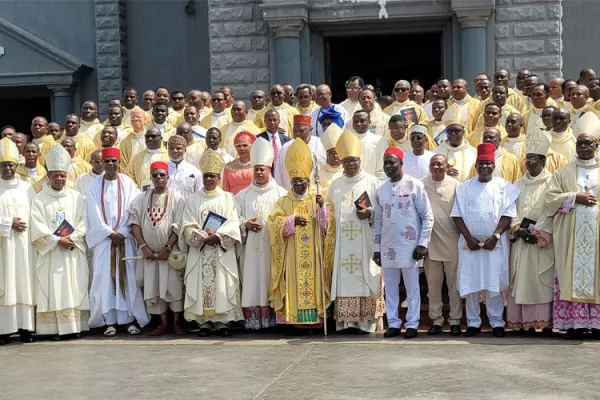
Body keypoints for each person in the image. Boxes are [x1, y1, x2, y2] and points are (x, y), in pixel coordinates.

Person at [451, 143, 520, 337]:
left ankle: (497, 322)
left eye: (488, 163)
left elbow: (508, 214)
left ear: (493, 166)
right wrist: (468, 238)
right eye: (481, 163)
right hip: (469, 245)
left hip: (494, 245)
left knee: (494, 284)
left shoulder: (504, 187)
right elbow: (456, 215)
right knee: (471, 284)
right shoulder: (464, 187)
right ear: (475, 166)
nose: (484, 167)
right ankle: (473, 323)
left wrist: (496, 236)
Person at [268, 138, 335, 332]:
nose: (298, 184)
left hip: (313, 254)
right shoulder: (282, 201)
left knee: (313, 283)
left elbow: (327, 227)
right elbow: (273, 223)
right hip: (291, 254)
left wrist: (322, 208)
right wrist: (291, 221)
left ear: (308, 180)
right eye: (294, 181)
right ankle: (294, 321)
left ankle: (315, 322)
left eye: (302, 181)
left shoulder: (317, 199)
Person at [86, 147, 149, 336]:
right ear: (102, 164)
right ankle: (110, 321)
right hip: (105, 242)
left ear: (119, 163)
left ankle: (128, 319)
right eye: (107, 162)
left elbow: (134, 208)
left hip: (125, 240)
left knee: (128, 279)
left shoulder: (128, 183)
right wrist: (109, 233)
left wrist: (122, 231)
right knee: (106, 279)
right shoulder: (94, 185)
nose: (111, 164)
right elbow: (93, 212)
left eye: (114, 161)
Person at [181, 149, 243, 337]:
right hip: (201, 250)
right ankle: (204, 321)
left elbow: (234, 222)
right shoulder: (192, 200)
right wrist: (202, 236)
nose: (209, 180)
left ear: (218, 177)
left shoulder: (228, 198)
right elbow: (187, 224)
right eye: (206, 176)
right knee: (202, 286)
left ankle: (222, 321)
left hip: (220, 250)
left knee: (223, 285)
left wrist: (219, 236)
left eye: (213, 176)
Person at [30, 144, 89, 340]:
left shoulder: (76, 197)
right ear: (48, 176)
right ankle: (54, 329)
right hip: (53, 254)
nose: (59, 179)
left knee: (73, 286)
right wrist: (57, 240)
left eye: (62, 175)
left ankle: (75, 326)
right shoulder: (39, 199)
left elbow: (83, 221)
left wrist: (73, 238)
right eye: (55, 175)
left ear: (67, 175)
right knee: (54, 287)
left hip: (72, 250)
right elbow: (37, 227)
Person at [373, 147, 433, 339]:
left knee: (412, 287)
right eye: (386, 163)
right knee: (390, 287)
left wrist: (422, 244)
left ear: (401, 163)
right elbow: (378, 222)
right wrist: (376, 248)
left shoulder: (414, 185)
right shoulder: (381, 190)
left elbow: (427, 217)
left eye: (392, 162)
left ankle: (413, 324)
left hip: (410, 246)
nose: (389, 166)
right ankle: (394, 323)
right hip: (388, 246)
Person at [327, 130, 383, 333]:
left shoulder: (372, 182)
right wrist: (321, 208)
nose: (352, 164)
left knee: (367, 276)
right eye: (347, 160)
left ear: (361, 160)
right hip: (343, 245)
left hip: (367, 241)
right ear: (341, 162)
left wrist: (370, 213)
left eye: (355, 160)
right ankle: (347, 322)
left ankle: (367, 323)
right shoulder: (335, 185)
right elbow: (329, 214)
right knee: (346, 278)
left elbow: (383, 210)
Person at [546, 133, 600, 340]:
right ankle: (574, 324)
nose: (584, 147)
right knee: (571, 274)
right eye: (580, 143)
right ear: (575, 146)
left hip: (597, 236)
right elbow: (550, 199)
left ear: (596, 146)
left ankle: (596, 325)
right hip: (570, 237)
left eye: (589, 143)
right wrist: (575, 197)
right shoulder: (563, 172)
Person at [128, 161, 186, 336]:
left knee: (174, 288)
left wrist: (167, 247)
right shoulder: (141, 198)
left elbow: (179, 226)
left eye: (162, 175)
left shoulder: (177, 198)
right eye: (155, 175)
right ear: (151, 178)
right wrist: (144, 247)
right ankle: (163, 323)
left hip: (170, 254)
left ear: (168, 177)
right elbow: (134, 223)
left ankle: (176, 323)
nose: (159, 178)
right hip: (150, 254)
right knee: (155, 288)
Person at [236, 139, 286, 330]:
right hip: (250, 249)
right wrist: (245, 224)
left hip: (272, 247)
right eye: (256, 169)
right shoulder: (242, 195)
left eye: (262, 169)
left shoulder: (280, 194)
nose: (258, 172)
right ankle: (253, 319)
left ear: (269, 169)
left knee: (269, 278)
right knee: (251, 280)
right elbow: (235, 219)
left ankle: (272, 318)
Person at [507, 140, 554, 335]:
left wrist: (537, 232)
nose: (529, 162)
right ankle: (522, 324)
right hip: (521, 241)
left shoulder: (552, 182)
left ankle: (544, 324)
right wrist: (517, 228)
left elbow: (552, 210)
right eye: (527, 158)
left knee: (540, 281)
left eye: (533, 159)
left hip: (540, 241)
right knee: (521, 281)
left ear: (543, 160)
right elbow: (511, 210)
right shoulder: (518, 183)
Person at [0, 138, 36, 345]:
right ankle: (4, 330)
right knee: (6, 283)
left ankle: (25, 328)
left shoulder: (27, 188)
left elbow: (37, 216)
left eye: (10, 165)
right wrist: (7, 223)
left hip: (24, 247)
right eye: (3, 165)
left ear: (17, 165)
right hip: (4, 247)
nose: (7, 168)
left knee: (23, 284)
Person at [422, 154, 462, 335]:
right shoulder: (421, 184)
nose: (436, 167)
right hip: (431, 244)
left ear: (447, 166)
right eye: (433, 164)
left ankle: (455, 320)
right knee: (433, 287)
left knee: (454, 287)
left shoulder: (457, 185)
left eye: (440, 164)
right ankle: (436, 320)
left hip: (453, 243)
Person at [274, 115, 326, 190]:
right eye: (295, 130)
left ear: (310, 130)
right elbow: (279, 173)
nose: (298, 134)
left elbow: (324, 169)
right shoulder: (286, 147)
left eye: (301, 131)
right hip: (290, 194)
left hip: (314, 192)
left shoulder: (319, 144)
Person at [350, 111, 387, 181]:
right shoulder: (348, 141)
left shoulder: (380, 141)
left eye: (362, 121)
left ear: (369, 122)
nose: (358, 124)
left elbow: (381, 168)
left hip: (373, 183)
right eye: (355, 121)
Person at [257, 110, 291, 175]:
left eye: (275, 120)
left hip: (283, 175)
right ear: (265, 121)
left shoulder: (287, 140)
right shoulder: (258, 140)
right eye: (269, 120)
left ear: (279, 121)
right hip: (266, 176)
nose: (272, 122)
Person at [119, 107, 148, 172]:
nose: (135, 119)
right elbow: (123, 164)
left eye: (138, 117)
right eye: (133, 117)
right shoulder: (125, 142)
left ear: (145, 119)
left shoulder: (151, 138)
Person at [318, 124, 344, 195]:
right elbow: (317, 193)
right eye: (332, 153)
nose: (335, 156)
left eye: (337, 152)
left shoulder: (347, 171)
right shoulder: (319, 174)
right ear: (326, 155)